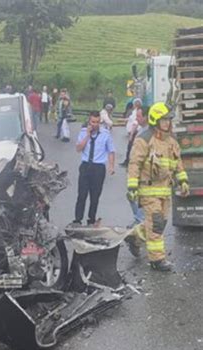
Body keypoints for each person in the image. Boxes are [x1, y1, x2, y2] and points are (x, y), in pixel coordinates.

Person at [126, 102, 190, 272]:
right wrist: (132, 187)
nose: (167, 123)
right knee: (156, 224)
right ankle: (157, 260)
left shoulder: (171, 141)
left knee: (159, 224)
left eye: (169, 120)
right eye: (164, 120)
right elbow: (134, 164)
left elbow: (177, 163)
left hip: (165, 191)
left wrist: (183, 181)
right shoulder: (144, 139)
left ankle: (134, 237)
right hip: (148, 190)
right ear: (155, 120)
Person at [71, 111, 115, 226]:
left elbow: (111, 151)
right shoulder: (83, 133)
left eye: (97, 122)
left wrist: (111, 166)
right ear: (89, 122)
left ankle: (91, 219)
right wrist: (87, 135)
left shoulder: (105, 134)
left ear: (100, 122)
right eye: (92, 122)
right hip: (86, 166)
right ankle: (77, 219)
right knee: (82, 194)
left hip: (98, 167)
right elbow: (78, 148)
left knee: (95, 196)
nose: (95, 124)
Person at [120, 98, 143, 167]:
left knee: (131, 147)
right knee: (131, 147)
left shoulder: (137, 112)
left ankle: (129, 162)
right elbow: (131, 119)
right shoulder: (135, 111)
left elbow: (135, 123)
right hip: (134, 132)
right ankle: (128, 161)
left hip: (135, 132)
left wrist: (131, 134)